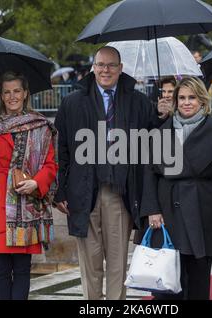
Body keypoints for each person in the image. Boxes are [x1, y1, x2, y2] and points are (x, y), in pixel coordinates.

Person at [53, 46, 167, 300]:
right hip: (82, 191)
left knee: (117, 262)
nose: (105, 70)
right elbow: (61, 148)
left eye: (111, 65)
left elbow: (153, 141)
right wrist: (58, 190)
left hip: (120, 191)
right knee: (90, 262)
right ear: (93, 67)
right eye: (100, 65)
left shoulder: (137, 101)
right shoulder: (73, 102)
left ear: (120, 68)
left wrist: (160, 116)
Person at [0, 71, 58, 300]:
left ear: (26, 93)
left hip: (26, 203)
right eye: (7, 92)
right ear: (1, 95)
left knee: (22, 268)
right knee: (1, 269)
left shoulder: (40, 125)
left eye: (17, 91)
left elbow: (50, 165)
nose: (12, 96)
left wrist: (36, 183)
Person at [140, 76, 212, 300]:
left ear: (202, 100)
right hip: (168, 210)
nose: (187, 102)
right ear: (175, 101)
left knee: (198, 276)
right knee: (167, 277)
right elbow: (149, 171)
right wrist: (152, 209)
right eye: (182, 98)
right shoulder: (162, 130)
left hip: (202, 208)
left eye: (192, 98)